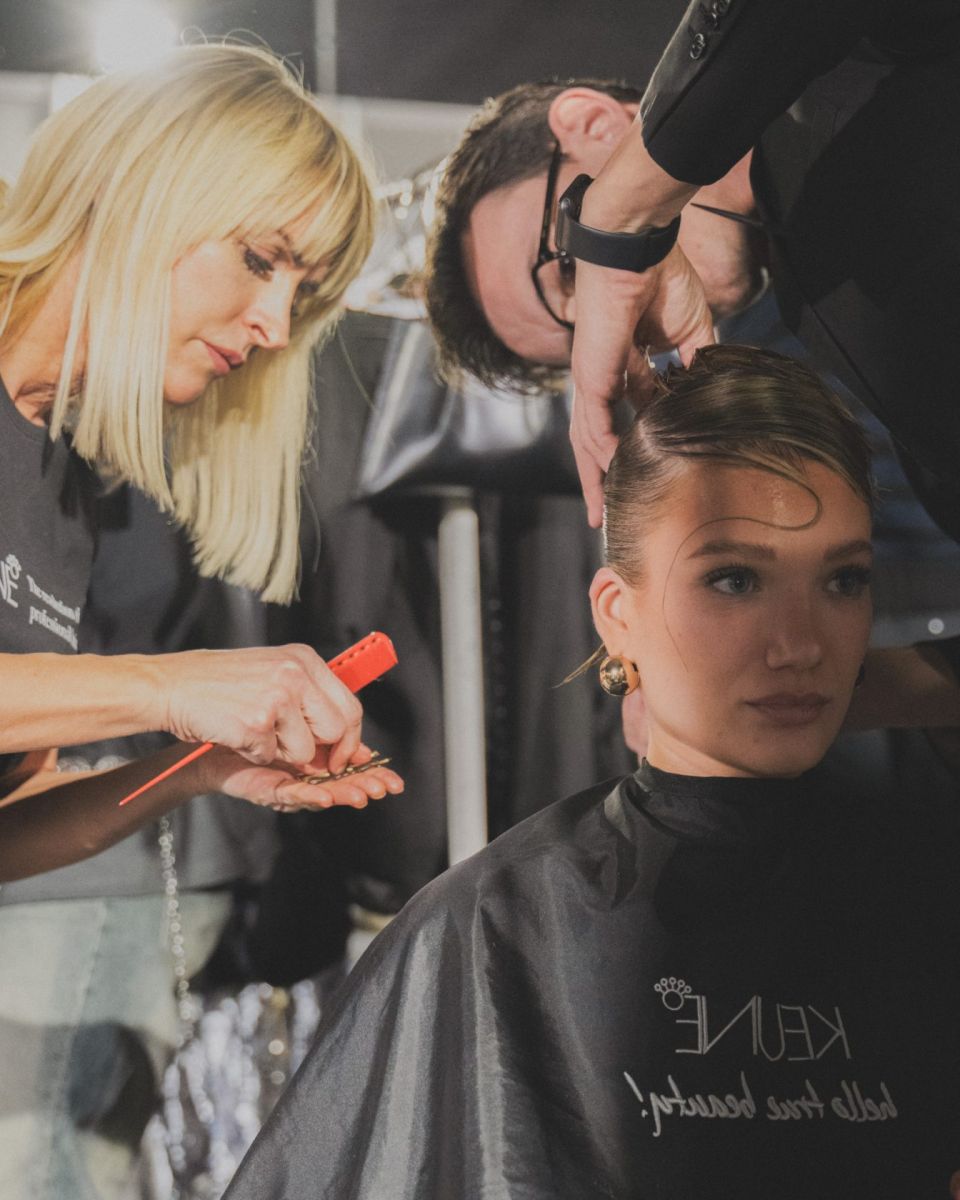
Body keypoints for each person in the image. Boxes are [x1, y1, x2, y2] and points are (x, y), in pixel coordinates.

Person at [221, 346, 960, 1200]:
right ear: (617, 613)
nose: (799, 645)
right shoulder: (494, 926)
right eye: (734, 579)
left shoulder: (925, 893)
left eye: (842, 580)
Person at [0, 42, 403, 881]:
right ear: (131, 190)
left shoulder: (63, 491)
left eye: (301, 293)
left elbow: (7, 826)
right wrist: (165, 686)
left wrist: (199, 767)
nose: (276, 329)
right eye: (260, 259)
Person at [425, 0, 960, 539]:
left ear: (592, 122)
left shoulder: (864, 55)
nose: (614, 323)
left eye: (568, 267)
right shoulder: (879, 390)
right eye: (583, 342)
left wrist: (618, 225)